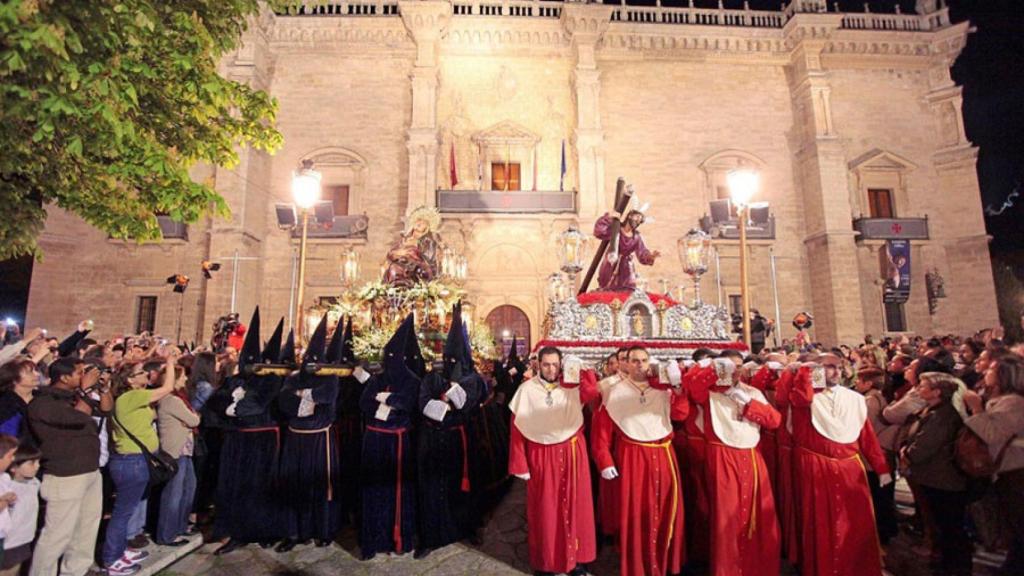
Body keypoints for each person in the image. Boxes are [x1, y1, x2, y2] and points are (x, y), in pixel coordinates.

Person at [788, 354, 890, 576]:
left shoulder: (854, 398)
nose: (835, 371)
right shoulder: (805, 396)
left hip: (850, 469)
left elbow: (866, 435)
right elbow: (801, 399)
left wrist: (881, 467)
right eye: (828, 367)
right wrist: (806, 372)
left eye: (838, 367)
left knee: (854, 524)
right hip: (817, 467)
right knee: (821, 525)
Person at [591, 346, 688, 576]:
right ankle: (638, 566)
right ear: (626, 363)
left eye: (644, 360)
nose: (640, 365)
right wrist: (605, 461)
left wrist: (677, 387)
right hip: (632, 457)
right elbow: (601, 433)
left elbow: (680, 414)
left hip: (663, 455)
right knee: (636, 513)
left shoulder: (662, 389)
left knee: (665, 508)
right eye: (634, 360)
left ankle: (665, 563)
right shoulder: (615, 392)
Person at [508, 347, 596, 576]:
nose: (551, 369)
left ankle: (576, 561)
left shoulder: (572, 386)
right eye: (546, 364)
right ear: (538, 364)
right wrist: (519, 463)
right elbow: (517, 429)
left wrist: (582, 370)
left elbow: (591, 393)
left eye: (555, 364)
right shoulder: (526, 390)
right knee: (545, 510)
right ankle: (546, 562)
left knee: (577, 507)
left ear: (561, 364)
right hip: (541, 455)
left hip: (572, 452)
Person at [690, 356, 781, 576]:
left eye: (738, 367)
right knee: (726, 517)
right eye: (728, 366)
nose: (734, 371)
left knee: (758, 516)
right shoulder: (708, 392)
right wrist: (712, 370)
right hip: (722, 455)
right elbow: (693, 387)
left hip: (751, 456)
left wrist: (749, 403)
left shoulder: (751, 392)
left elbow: (774, 421)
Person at [27, 357, 110, 576]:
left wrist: (102, 389)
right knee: (57, 535)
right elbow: (78, 418)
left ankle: (75, 571)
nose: (84, 376)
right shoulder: (43, 403)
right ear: (64, 377)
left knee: (86, 530)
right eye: (80, 372)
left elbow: (106, 410)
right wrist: (86, 390)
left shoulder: (75, 397)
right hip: (65, 475)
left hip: (90, 471)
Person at [213, 309, 288, 555]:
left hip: (262, 440)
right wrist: (231, 401)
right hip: (238, 440)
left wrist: (237, 406)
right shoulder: (235, 381)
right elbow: (218, 400)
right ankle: (238, 531)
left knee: (262, 486)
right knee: (237, 486)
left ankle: (265, 530)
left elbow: (259, 403)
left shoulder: (272, 380)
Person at [416, 303, 485, 558]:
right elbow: (423, 403)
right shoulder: (432, 377)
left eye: (456, 359)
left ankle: (465, 528)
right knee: (433, 487)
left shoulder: (473, 379)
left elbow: (466, 404)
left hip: (459, 440)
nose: (451, 363)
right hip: (433, 440)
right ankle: (431, 536)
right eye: (449, 359)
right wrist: (444, 403)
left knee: (461, 487)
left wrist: (452, 393)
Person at [104, 352, 177, 575]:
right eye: (141, 373)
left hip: (137, 461)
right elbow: (167, 388)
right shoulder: (130, 397)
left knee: (128, 509)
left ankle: (120, 549)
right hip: (131, 462)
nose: (146, 374)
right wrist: (170, 364)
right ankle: (111, 559)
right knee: (122, 513)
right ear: (129, 380)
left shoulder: (136, 397)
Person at [276, 314, 342, 551]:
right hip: (296, 438)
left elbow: (327, 397)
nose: (311, 364)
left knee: (319, 485)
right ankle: (293, 532)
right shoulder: (294, 379)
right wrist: (309, 400)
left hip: (318, 439)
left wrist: (304, 395)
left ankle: (322, 530)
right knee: (293, 485)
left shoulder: (330, 378)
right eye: (308, 359)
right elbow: (285, 401)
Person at [359, 314, 423, 559]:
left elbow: (406, 403)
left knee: (395, 490)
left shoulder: (411, 380)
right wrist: (387, 403)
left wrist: (386, 399)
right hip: (374, 440)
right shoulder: (377, 379)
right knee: (373, 490)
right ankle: (372, 540)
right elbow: (364, 403)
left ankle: (397, 538)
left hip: (396, 443)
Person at [901, 372, 971, 576]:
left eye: (923, 386)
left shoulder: (942, 416)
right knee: (941, 523)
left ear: (937, 392)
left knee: (949, 525)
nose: (918, 389)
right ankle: (946, 562)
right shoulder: (933, 410)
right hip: (933, 476)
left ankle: (955, 567)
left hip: (941, 478)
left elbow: (925, 446)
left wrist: (908, 453)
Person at [963, 353, 1024, 575]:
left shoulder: (1013, 402)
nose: (987, 371)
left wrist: (976, 408)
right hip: (1004, 469)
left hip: (1015, 471)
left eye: (992, 369)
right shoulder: (999, 399)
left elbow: (992, 434)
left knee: (1018, 523)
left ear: (1004, 375)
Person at [155, 355, 202, 546]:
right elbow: (194, 420)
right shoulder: (171, 401)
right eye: (182, 376)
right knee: (173, 494)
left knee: (189, 488)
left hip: (186, 451)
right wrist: (191, 418)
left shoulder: (179, 399)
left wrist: (190, 419)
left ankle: (180, 526)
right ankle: (167, 534)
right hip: (175, 452)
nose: (186, 379)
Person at [854, 366, 897, 544]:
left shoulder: (870, 401)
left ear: (868, 383)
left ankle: (882, 532)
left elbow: (865, 427)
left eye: (859, 380)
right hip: (878, 453)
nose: (856, 383)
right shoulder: (877, 397)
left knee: (878, 495)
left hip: (874, 455)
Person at [593, 208, 660, 291]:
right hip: (611, 262)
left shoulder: (636, 237)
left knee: (627, 291)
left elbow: (642, 253)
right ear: (630, 216)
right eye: (637, 217)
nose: (638, 221)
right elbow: (599, 232)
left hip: (626, 269)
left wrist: (651, 256)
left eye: (640, 221)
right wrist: (609, 217)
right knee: (607, 289)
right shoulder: (616, 229)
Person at [1, 444, 41, 576]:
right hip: (8, 543)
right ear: (14, 467)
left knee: (15, 571)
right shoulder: (7, 487)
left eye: (38, 462)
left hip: (23, 540)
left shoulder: (34, 483)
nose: (37, 466)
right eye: (31, 463)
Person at [0, 358, 39, 441]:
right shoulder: (7, 407)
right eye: (30, 372)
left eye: (36, 370)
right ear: (14, 380)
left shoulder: (42, 398)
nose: (37, 374)